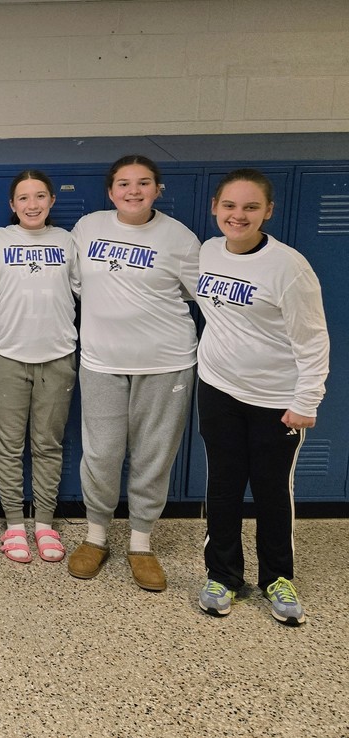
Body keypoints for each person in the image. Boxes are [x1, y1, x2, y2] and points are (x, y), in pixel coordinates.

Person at [194, 169, 328, 625]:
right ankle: (223, 575)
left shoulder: (289, 267)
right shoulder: (209, 252)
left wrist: (307, 400)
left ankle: (277, 578)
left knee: (272, 490)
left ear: (268, 212)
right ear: (215, 207)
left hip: (276, 399)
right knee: (224, 484)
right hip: (218, 388)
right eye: (230, 206)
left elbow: (313, 341)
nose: (238, 215)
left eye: (251, 207)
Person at [67, 155, 199, 592]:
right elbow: (73, 282)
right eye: (124, 184)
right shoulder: (88, 227)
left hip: (166, 362)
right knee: (101, 453)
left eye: (144, 183)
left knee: (153, 454)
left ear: (158, 189)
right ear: (110, 191)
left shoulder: (178, 237)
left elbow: (199, 294)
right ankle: (96, 536)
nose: (133, 191)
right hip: (102, 361)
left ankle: (141, 543)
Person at [0, 170, 78, 563]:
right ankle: (14, 525)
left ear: (52, 201)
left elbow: (90, 289)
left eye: (40, 196)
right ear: (12, 205)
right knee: (7, 444)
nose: (32, 205)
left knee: (47, 444)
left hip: (57, 355)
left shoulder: (68, 241)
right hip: (7, 353)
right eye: (23, 198)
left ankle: (43, 522)